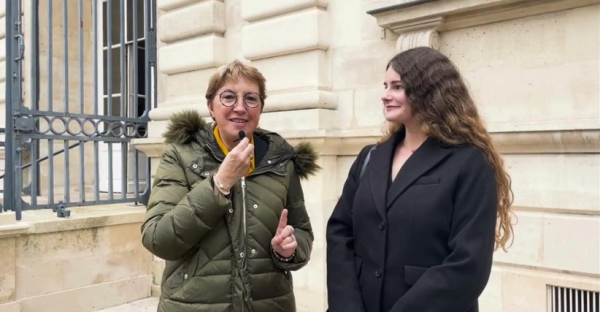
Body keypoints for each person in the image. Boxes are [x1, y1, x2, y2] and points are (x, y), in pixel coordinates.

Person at [326, 47, 514, 312]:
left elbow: (468, 264)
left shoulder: (469, 162)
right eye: (385, 86)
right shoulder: (370, 157)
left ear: (427, 90)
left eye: (397, 86)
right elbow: (340, 232)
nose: (385, 95)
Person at [142, 60, 319, 312]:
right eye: (228, 97)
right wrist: (219, 183)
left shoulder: (281, 160)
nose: (240, 107)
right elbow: (158, 239)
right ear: (210, 106)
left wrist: (289, 250)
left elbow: (302, 231)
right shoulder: (180, 156)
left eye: (250, 99)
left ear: (261, 107)